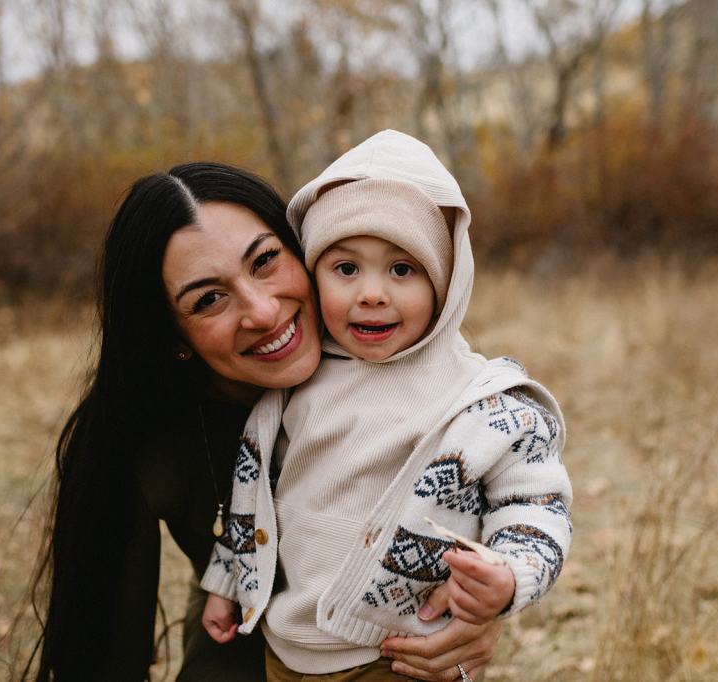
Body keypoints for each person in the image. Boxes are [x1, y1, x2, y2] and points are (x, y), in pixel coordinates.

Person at [25, 161, 509, 681]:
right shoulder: (142, 441)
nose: (262, 311)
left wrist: (484, 613)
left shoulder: (391, 357)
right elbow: (104, 661)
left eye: (265, 261)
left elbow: (499, 512)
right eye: (209, 299)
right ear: (172, 338)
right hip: (242, 637)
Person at [199, 131, 573, 681]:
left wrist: (511, 575)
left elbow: (537, 506)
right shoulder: (295, 385)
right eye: (346, 269)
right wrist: (227, 581)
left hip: (403, 658)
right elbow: (255, 494)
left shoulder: (481, 401)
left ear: (445, 283)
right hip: (287, 652)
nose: (372, 294)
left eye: (402, 270)